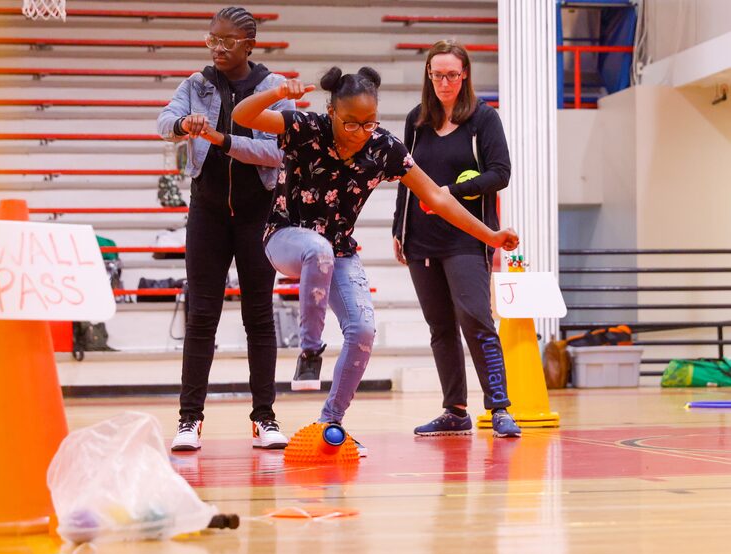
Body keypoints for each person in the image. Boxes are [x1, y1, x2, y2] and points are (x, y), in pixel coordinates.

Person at [233, 66, 519, 455]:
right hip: (286, 237)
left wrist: (490, 236)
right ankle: (310, 350)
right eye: (351, 124)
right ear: (331, 111)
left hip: (339, 250)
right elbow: (242, 117)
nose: (360, 134)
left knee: (364, 331)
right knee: (317, 248)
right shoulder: (304, 126)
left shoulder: (383, 146)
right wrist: (279, 91)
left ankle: (331, 420)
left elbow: (435, 197)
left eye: (370, 123)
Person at [157, 7, 294, 452]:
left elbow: (278, 153)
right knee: (201, 317)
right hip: (208, 213)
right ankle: (189, 420)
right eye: (211, 39)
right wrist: (183, 124)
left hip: (258, 215)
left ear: (250, 45)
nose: (217, 48)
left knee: (259, 317)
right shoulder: (194, 86)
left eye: (227, 41)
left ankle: (265, 419)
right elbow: (164, 123)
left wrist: (223, 140)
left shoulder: (275, 90)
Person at [392, 40, 521, 438]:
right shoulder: (416, 120)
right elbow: (405, 176)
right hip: (421, 240)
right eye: (437, 75)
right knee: (440, 326)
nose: (444, 82)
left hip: (467, 238)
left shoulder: (484, 120)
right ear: (428, 76)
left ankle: (498, 408)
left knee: (477, 321)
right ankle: (455, 410)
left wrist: (452, 192)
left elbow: (500, 173)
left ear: (464, 75)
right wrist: (400, 226)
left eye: (451, 74)